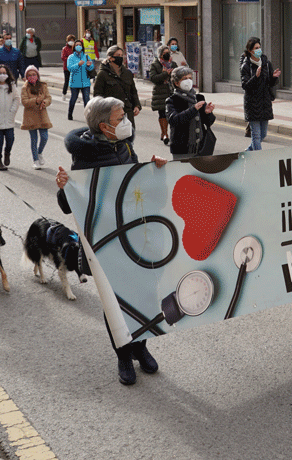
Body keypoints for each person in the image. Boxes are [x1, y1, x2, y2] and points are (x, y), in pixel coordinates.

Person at [55, 97, 169, 385]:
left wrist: (154, 168)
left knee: (142, 295)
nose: (126, 123)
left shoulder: (125, 145)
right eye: (120, 119)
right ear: (104, 126)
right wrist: (63, 187)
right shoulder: (84, 157)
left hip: (134, 234)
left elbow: (136, 183)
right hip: (105, 242)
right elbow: (70, 205)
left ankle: (141, 349)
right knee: (115, 301)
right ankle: (123, 355)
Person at [166, 66, 216, 161]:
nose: (188, 81)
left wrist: (207, 113)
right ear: (176, 83)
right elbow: (174, 120)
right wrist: (193, 109)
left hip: (201, 147)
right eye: (185, 79)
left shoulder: (199, 98)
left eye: (190, 78)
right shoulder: (172, 100)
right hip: (182, 148)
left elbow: (209, 122)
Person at [240, 37, 280, 151]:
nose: (259, 50)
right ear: (250, 51)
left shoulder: (266, 63)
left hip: (264, 102)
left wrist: (274, 77)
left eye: (259, 47)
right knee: (256, 136)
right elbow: (245, 86)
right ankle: (258, 159)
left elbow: (270, 83)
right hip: (252, 104)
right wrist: (255, 77)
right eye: (256, 48)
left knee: (263, 135)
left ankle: (247, 153)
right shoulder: (246, 66)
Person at [92, 45, 142, 135]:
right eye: (118, 55)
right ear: (111, 58)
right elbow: (97, 96)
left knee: (128, 140)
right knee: (114, 140)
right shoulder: (102, 74)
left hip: (127, 112)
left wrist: (137, 105)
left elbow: (133, 92)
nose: (120, 57)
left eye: (122, 55)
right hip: (112, 114)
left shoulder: (127, 73)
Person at [20, 65, 52, 169]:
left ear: (37, 75)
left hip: (42, 115)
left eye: (34, 74)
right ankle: (35, 160)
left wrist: (44, 102)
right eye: (29, 75)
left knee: (44, 137)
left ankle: (39, 152)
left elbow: (48, 98)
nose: (32, 77)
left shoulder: (43, 86)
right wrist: (35, 101)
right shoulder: (25, 87)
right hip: (31, 117)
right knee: (33, 139)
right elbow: (24, 102)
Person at [148, 46, 175, 146]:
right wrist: (164, 74)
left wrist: (173, 74)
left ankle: (171, 133)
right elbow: (153, 78)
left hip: (172, 92)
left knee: (172, 114)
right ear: (160, 54)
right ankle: (165, 134)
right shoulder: (155, 65)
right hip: (160, 93)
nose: (167, 54)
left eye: (168, 52)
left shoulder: (173, 64)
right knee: (162, 113)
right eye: (165, 53)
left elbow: (179, 76)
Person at [66, 39, 94, 120]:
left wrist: (89, 66)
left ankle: (88, 117)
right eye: (77, 45)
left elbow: (91, 68)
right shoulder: (71, 57)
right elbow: (70, 68)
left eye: (80, 45)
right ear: (74, 47)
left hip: (85, 82)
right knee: (73, 99)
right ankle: (70, 113)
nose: (78, 46)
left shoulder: (86, 56)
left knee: (87, 100)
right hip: (74, 82)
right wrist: (78, 64)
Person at [60, 34, 77, 101]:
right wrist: (70, 59)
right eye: (70, 40)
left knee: (74, 82)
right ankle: (64, 94)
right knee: (67, 81)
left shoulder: (75, 48)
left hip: (74, 67)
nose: (71, 42)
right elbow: (63, 57)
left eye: (73, 40)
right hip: (67, 68)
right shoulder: (65, 48)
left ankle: (74, 95)